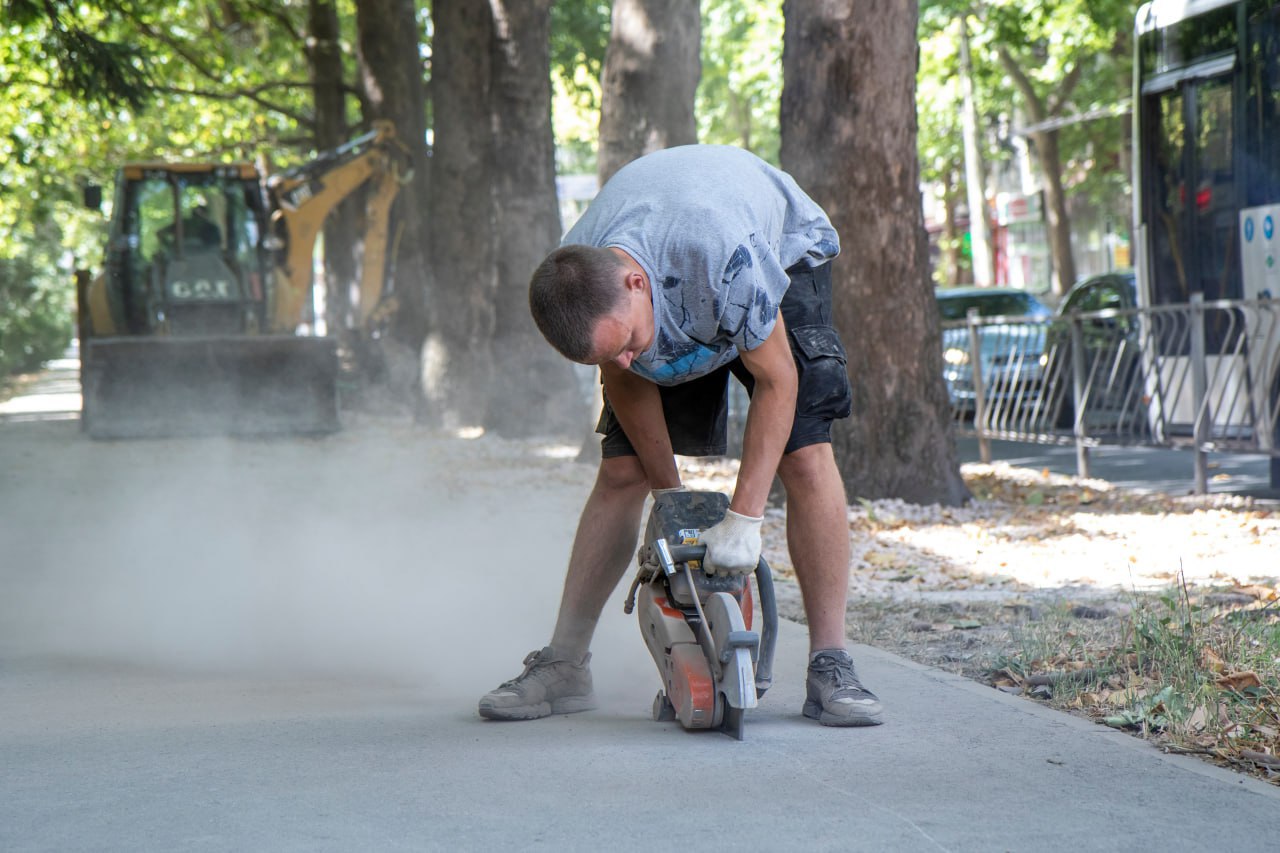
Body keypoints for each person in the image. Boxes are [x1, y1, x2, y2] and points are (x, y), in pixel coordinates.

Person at [478, 145, 882, 727]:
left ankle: (831, 665)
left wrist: (742, 523)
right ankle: (564, 664)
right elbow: (625, 374)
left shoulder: (727, 258)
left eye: (628, 343)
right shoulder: (582, 279)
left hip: (777, 255)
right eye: (607, 356)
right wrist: (673, 505)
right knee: (622, 472)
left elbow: (777, 381)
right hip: (675, 280)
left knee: (803, 453)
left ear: (636, 282)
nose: (625, 359)